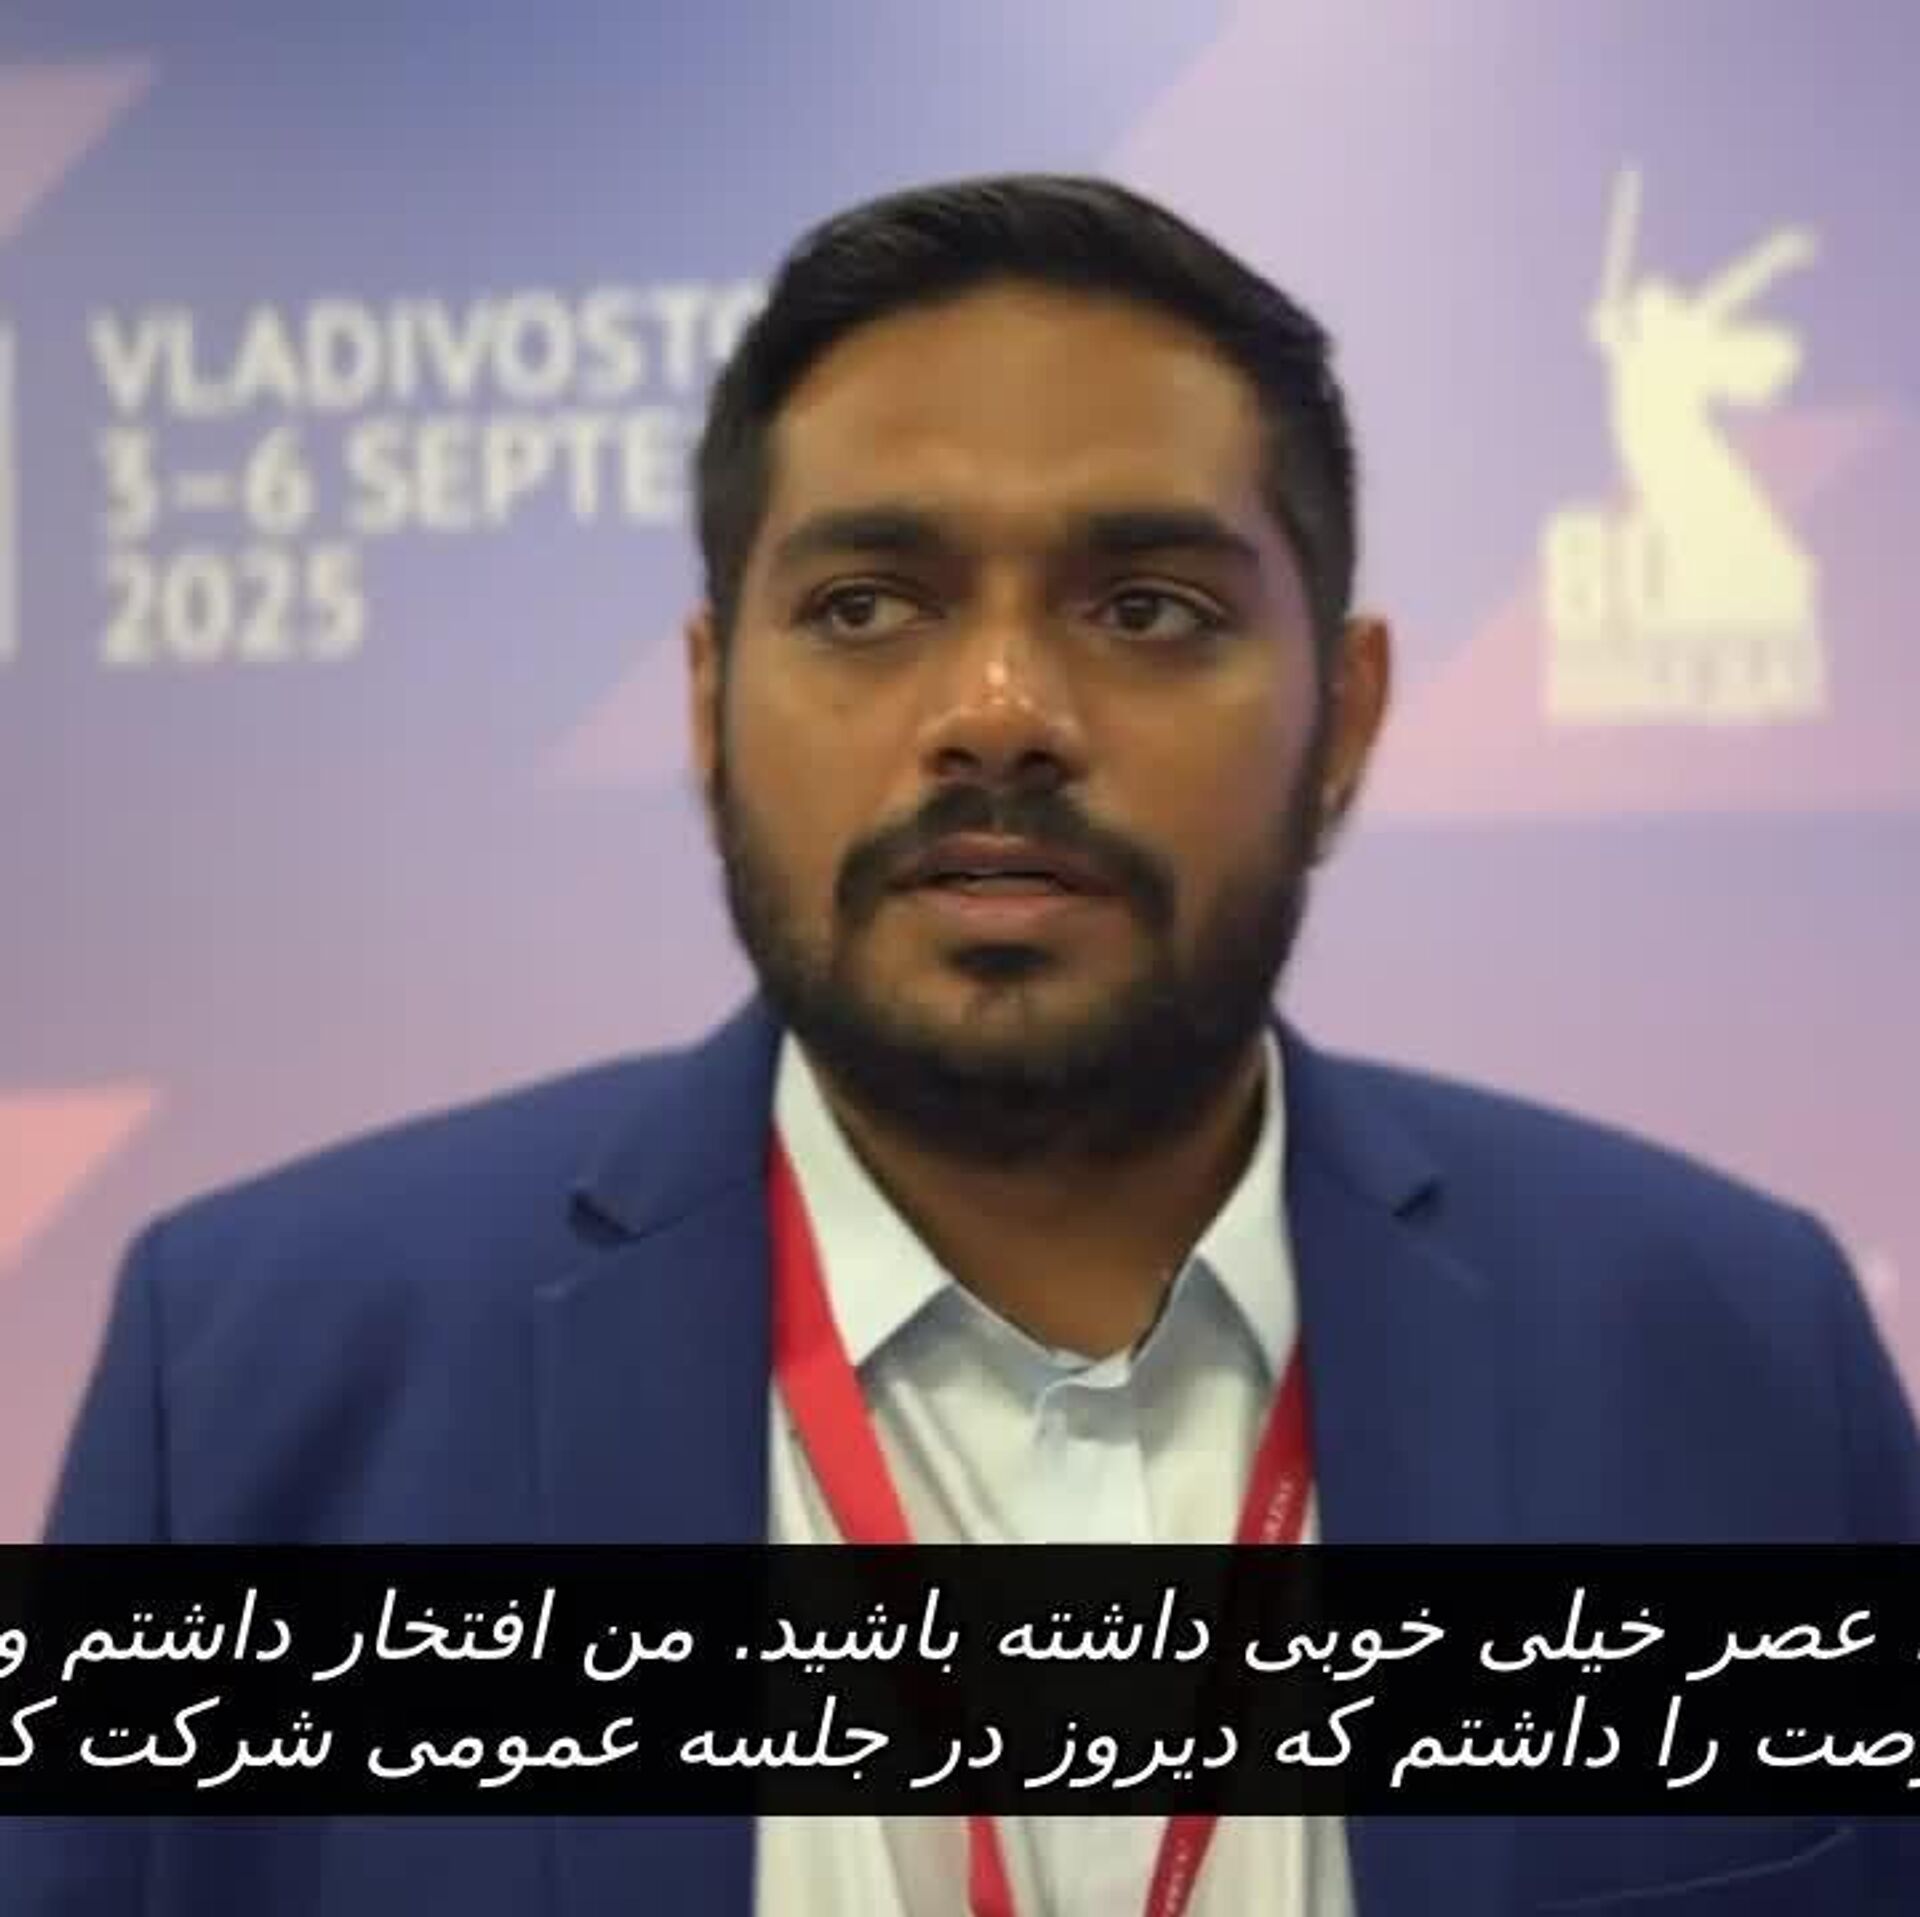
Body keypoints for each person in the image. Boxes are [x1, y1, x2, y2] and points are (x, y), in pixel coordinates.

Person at [5, 174, 1916, 1916]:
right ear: (708, 705)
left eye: (1148, 606)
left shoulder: (1728, 1353)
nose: (1000, 710)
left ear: (1344, 718)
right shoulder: (261, 1385)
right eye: (866, 605)